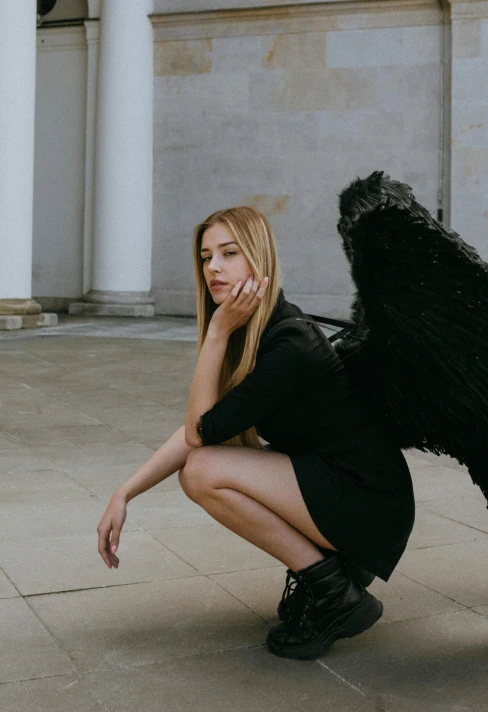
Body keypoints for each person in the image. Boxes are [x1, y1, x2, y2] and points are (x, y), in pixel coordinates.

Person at [97, 206, 415, 660]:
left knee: (202, 471)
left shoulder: (289, 344)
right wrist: (124, 492)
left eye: (229, 253)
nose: (214, 267)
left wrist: (215, 335)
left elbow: (199, 432)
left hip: (368, 500)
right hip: (341, 485)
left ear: (258, 259)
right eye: (206, 257)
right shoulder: (258, 332)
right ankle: (331, 576)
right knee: (202, 463)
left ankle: (335, 595)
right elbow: (197, 429)